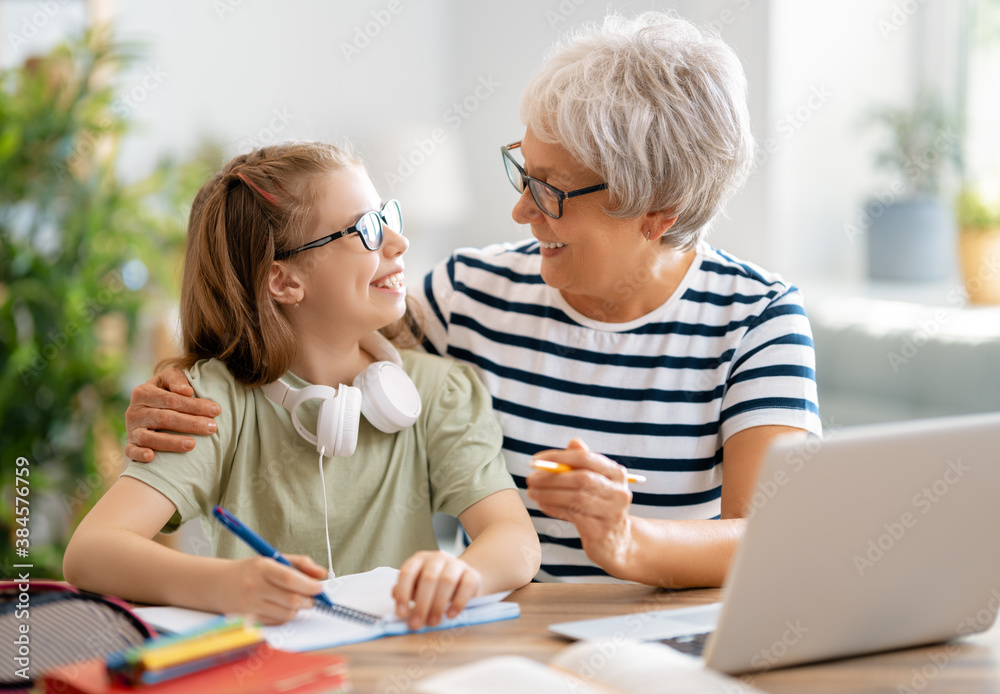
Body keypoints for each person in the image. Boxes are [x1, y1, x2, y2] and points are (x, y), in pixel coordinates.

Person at [121, 11, 821, 588]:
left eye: (550, 191)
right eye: (524, 169)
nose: (521, 211)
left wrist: (626, 541)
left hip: (669, 641)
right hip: (503, 641)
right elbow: (310, 340)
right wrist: (182, 384)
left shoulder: (757, 319)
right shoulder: (469, 294)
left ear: (656, 213)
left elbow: (775, 540)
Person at [63, 142, 540, 627]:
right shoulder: (210, 401)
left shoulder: (440, 391)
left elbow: (516, 542)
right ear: (284, 282)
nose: (398, 242)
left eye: (387, 216)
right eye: (367, 230)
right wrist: (225, 585)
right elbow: (90, 552)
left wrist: (462, 575)